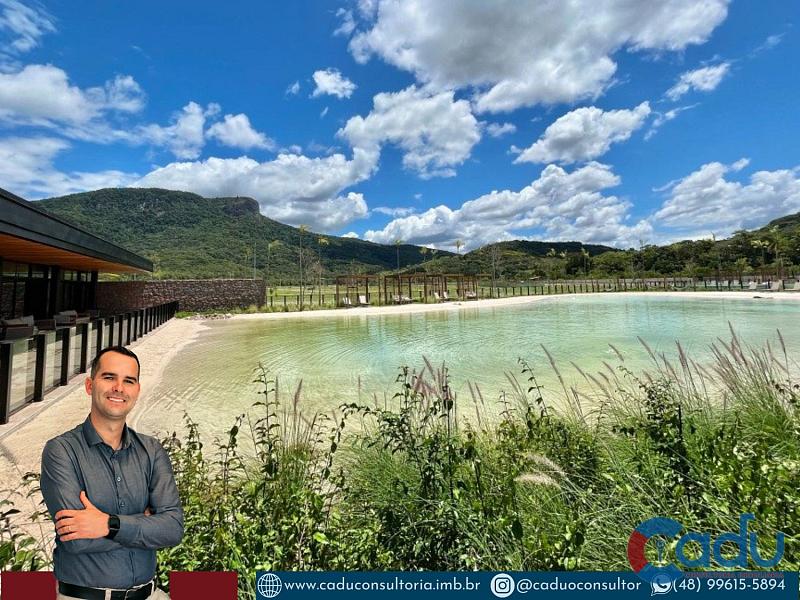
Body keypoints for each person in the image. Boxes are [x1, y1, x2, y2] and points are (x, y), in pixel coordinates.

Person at [40, 346, 183, 600]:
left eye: (128, 381)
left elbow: (172, 528)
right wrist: (145, 523)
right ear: (89, 385)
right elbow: (76, 540)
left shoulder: (151, 450)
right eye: (109, 377)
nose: (119, 387)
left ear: (137, 391)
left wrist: (107, 524)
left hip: (149, 595)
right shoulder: (61, 451)